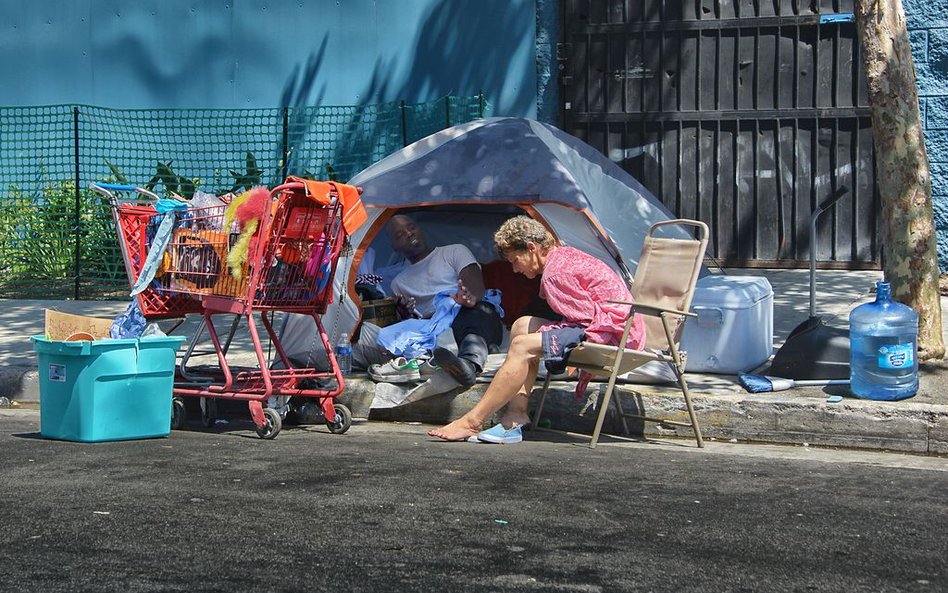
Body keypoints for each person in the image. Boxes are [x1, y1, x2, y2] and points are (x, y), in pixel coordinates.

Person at [427, 215, 646, 443]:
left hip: (614, 335)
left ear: (532, 248)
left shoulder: (555, 274)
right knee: (522, 326)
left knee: (523, 345)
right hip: (616, 326)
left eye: (515, 260)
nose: (514, 269)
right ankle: (516, 415)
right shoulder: (562, 257)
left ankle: (472, 422)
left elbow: (585, 321)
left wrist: (546, 334)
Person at [372, 214, 503, 385]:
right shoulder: (399, 282)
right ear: (394, 246)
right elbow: (419, 322)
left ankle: (469, 366)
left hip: (474, 314)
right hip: (440, 330)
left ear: (420, 230)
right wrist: (404, 314)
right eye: (400, 234)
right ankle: (486, 348)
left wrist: (468, 298)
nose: (409, 233)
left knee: (476, 311)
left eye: (411, 227)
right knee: (401, 334)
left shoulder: (454, 251)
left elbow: (476, 288)